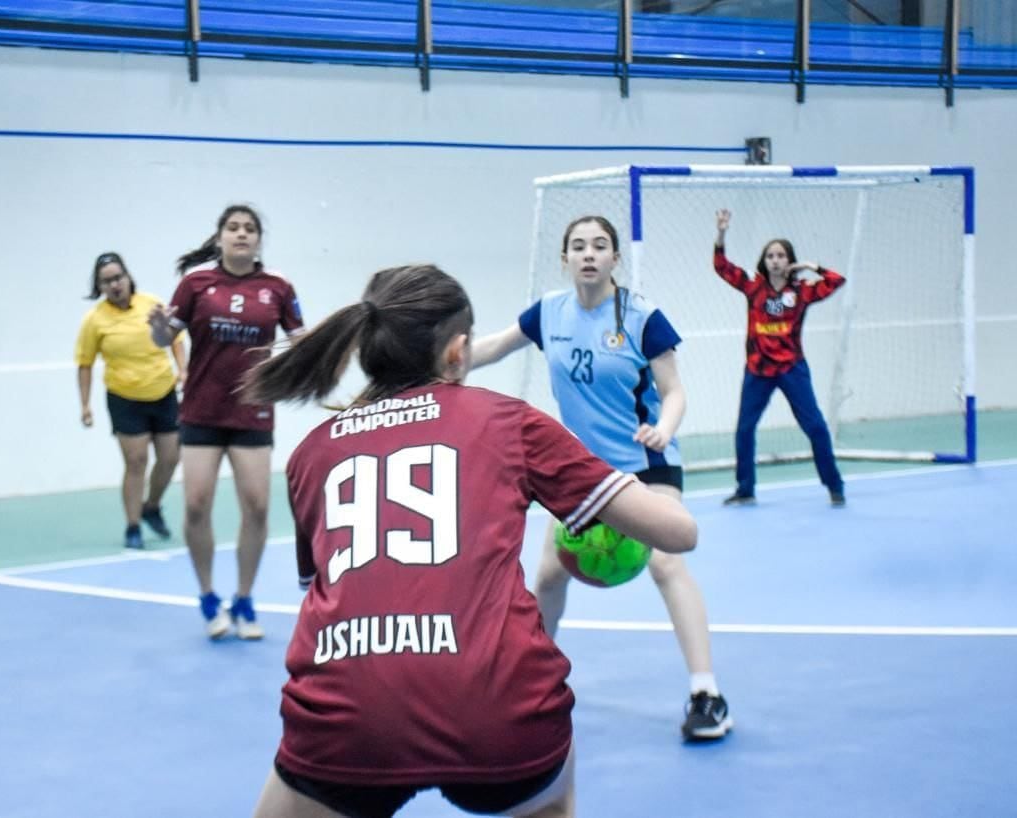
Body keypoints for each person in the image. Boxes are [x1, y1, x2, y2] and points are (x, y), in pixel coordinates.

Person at [242, 264, 699, 818]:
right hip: (500, 712)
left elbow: (321, 589)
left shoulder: (312, 452)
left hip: (348, 715)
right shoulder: (506, 421)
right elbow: (679, 533)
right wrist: (615, 486)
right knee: (549, 782)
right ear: (459, 351)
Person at [470, 215, 732, 742]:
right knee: (547, 576)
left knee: (665, 562)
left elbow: (674, 390)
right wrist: (433, 365)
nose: (588, 254)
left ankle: (708, 694)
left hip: (644, 462)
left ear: (615, 258)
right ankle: (530, 683)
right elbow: (492, 348)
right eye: (578, 246)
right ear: (564, 259)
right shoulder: (549, 313)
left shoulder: (642, 318)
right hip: (578, 471)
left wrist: (664, 426)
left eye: (600, 246)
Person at [148, 205, 305, 640]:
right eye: (233, 228)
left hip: (252, 413)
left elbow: (299, 341)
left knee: (256, 507)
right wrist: (159, 329)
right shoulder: (196, 283)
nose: (241, 234)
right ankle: (208, 597)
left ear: (258, 240)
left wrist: (316, 345)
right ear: (219, 237)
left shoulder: (278, 287)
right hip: (201, 411)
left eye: (249, 229)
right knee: (196, 505)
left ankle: (244, 598)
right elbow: (164, 338)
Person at [712, 208, 847, 507]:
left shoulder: (802, 291)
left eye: (781, 256)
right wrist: (721, 234)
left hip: (792, 369)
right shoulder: (752, 286)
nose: (775, 260)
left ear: (789, 260)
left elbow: (837, 280)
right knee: (745, 429)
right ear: (764, 260)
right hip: (757, 370)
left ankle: (835, 486)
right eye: (771, 256)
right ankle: (745, 489)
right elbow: (721, 266)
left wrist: (812, 266)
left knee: (815, 426)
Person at [75, 251, 185, 550]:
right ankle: (133, 525)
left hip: (163, 393)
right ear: (99, 286)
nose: (114, 285)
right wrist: (85, 405)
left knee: (171, 458)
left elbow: (175, 339)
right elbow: (84, 363)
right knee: (136, 462)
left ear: (128, 277)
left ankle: (152, 506)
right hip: (124, 398)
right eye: (106, 281)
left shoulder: (151, 304)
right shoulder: (95, 320)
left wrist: (183, 370)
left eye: (118, 278)